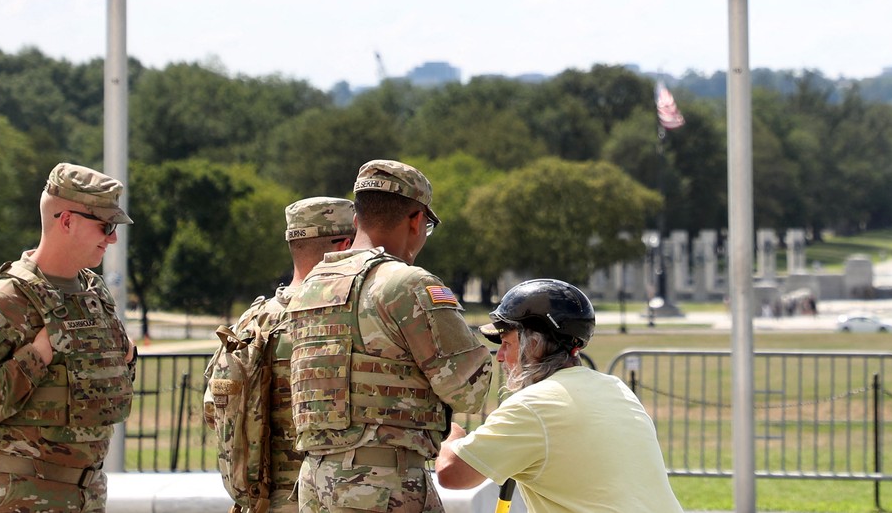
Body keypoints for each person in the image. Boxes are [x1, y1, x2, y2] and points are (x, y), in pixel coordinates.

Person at [286, 160, 493, 513]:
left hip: (315, 481)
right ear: (416, 221)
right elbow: (468, 390)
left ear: (356, 220)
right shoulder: (406, 284)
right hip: (380, 483)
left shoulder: (312, 286)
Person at [0, 162, 137, 513]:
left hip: (86, 495)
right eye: (106, 226)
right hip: (20, 498)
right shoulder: (4, 301)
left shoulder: (95, 293)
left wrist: (125, 360)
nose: (112, 238)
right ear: (66, 221)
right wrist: (33, 359)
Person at [436, 280, 683, 513]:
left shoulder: (533, 406)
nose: (500, 356)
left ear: (533, 344)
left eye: (507, 343)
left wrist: (450, 436)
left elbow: (452, 474)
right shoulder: (614, 388)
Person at [205, 196, 357, 513]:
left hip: (263, 501)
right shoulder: (345, 320)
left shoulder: (252, 322)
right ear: (344, 246)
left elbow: (214, 407)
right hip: (328, 498)